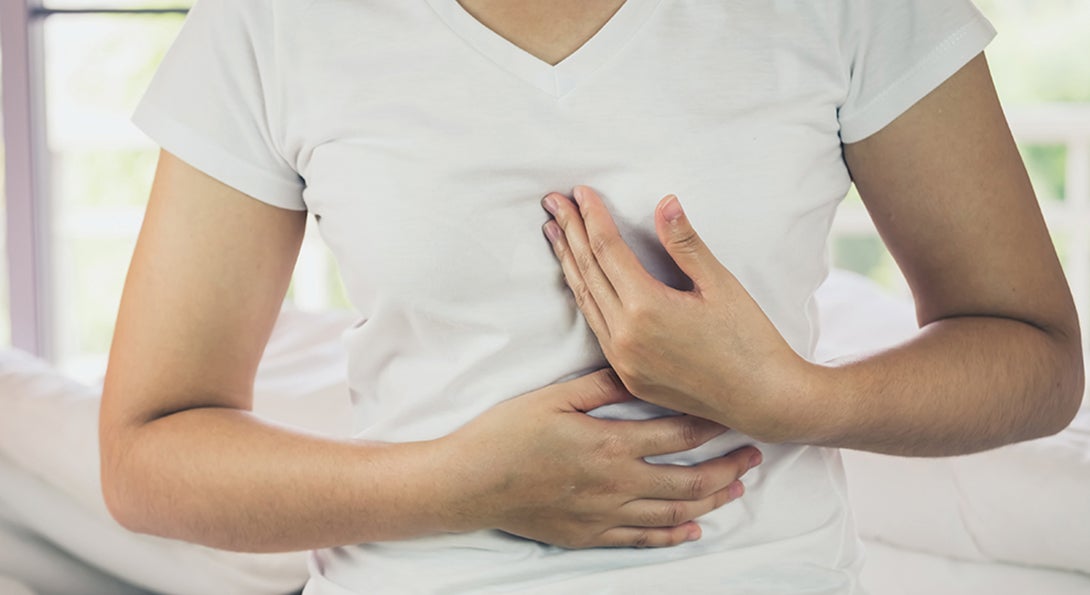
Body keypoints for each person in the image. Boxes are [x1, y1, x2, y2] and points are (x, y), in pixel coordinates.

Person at [99, 0, 1084, 593]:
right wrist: (454, 483)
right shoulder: (275, 23)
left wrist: (792, 396)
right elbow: (147, 454)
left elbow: (1035, 355)